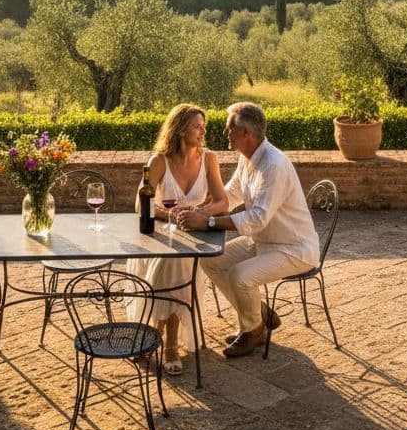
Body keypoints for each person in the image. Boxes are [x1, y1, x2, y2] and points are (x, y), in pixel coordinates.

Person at [177, 101, 319, 358]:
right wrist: (199, 211)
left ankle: (254, 331)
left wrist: (207, 223)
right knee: (213, 260)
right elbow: (230, 195)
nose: (225, 134)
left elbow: (257, 219)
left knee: (241, 276)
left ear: (246, 134)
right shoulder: (247, 158)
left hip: (294, 248)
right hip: (263, 242)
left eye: (230, 129)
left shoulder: (273, 165)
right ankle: (259, 314)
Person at [127, 103, 226, 375]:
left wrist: (198, 212)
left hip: (194, 234)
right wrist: (168, 216)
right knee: (173, 262)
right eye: (197, 126)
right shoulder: (159, 161)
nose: (203, 131)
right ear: (181, 129)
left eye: (203, 125)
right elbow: (141, 205)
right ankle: (168, 343)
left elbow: (222, 202)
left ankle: (153, 334)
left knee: (176, 261)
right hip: (160, 235)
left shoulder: (209, 159)